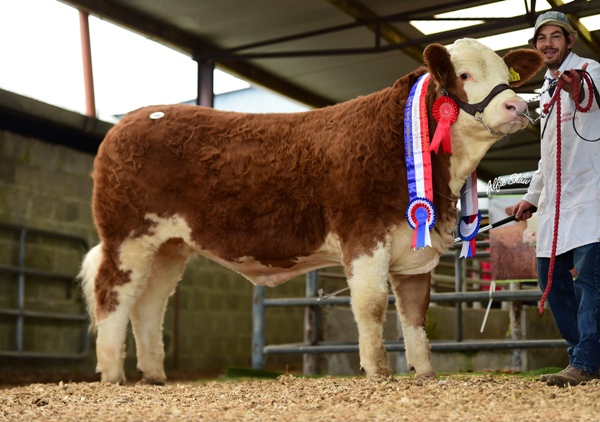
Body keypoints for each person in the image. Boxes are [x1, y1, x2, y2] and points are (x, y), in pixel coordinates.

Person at [514, 10, 600, 388]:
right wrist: (532, 197)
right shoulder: (545, 91)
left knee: (590, 283)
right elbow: (547, 154)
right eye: (541, 39)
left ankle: (584, 362)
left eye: (555, 37)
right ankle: (583, 355)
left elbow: (588, 96)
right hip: (557, 204)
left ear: (569, 41)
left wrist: (575, 87)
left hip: (592, 196)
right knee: (551, 280)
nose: (547, 44)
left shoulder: (590, 70)